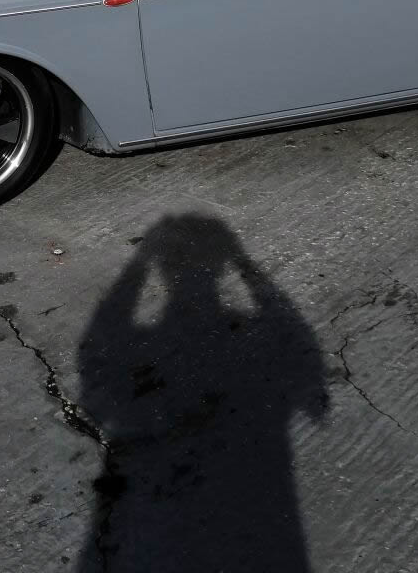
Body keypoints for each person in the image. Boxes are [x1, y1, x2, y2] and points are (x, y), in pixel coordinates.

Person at [76, 215, 328, 571]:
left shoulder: (147, 345)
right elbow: (300, 356)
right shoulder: (251, 338)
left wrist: (140, 264)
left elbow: (99, 348)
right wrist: (245, 266)